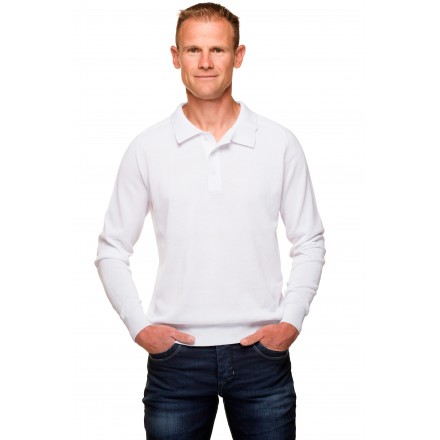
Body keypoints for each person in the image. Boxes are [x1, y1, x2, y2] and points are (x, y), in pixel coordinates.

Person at [95, 2, 325, 439]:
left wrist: (291, 321)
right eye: (193, 50)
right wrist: (139, 327)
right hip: (176, 360)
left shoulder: (278, 143)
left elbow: (309, 240)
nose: (205, 62)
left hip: (261, 356)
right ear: (175, 56)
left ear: (238, 56)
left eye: (217, 50)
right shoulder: (148, 147)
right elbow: (112, 248)